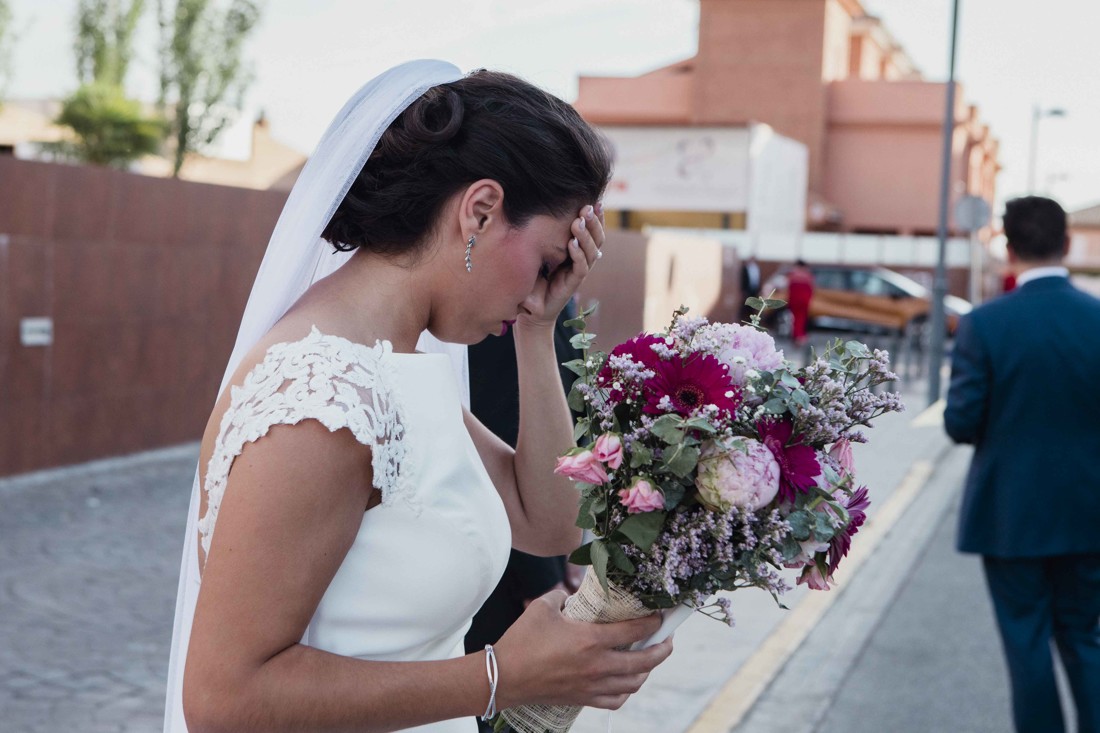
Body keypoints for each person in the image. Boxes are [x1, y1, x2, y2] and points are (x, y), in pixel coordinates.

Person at [163, 60, 672, 733]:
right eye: (547, 262)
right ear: (480, 209)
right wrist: (501, 676)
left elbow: (548, 521)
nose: (542, 288)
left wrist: (538, 327)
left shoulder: (398, 367)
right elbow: (224, 698)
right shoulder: (322, 398)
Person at [944, 196, 1100, 733]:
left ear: (1009, 249)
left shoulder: (986, 324)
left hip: (1011, 512)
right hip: (1089, 508)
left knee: (1026, 642)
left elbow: (961, 422)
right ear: (1068, 243)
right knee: (1084, 637)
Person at [465, 305, 581, 733]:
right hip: (504, 569)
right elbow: (502, 421)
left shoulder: (542, 309)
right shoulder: (496, 313)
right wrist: (541, 581)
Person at [786, 259, 814, 346]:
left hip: (794, 301)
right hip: (804, 301)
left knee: (795, 319)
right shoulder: (807, 276)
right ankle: (800, 336)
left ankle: (797, 336)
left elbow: (789, 289)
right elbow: (811, 290)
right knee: (801, 319)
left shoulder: (792, 275)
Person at [738, 255, 761, 324]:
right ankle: (742, 321)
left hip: (755, 290)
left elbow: (758, 280)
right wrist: (743, 290)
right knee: (745, 306)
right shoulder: (745, 268)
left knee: (753, 307)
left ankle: (752, 321)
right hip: (747, 291)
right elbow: (742, 280)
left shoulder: (757, 268)